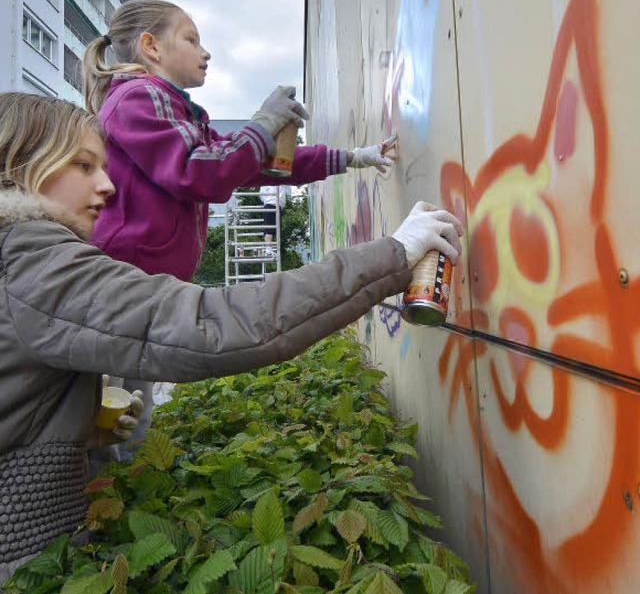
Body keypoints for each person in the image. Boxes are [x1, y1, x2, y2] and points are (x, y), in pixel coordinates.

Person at [0, 92, 463, 583]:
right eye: (84, 164)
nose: (108, 185)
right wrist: (393, 254)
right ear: (21, 167)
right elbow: (211, 327)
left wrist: (75, 429)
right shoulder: (30, 259)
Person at [81, 0, 397, 436]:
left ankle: (119, 488)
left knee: (128, 408)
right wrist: (263, 122)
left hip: (143, 285)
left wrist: (351, 157)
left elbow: (249, 163)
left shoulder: (172, 106)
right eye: (191, 39)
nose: (204, 52)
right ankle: (95, 492)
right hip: (123, 284)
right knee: (106, 410)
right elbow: (202, 173)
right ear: (151, 46)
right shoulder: (138, 98)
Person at [259, 184, 286, 257]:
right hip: (274, 204)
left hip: (270, 204)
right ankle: (268, 250)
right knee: (270, 229)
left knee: (271, 228)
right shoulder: (278, 180)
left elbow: (261, 195)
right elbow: (281, 194)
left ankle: (269, 249)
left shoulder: (264, 181)